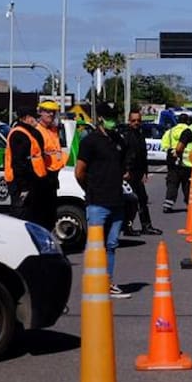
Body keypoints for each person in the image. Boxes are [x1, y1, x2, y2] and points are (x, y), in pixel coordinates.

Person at [75, 117, 131, 298]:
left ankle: (108, 282)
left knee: (112, 244)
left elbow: (123, 167)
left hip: (116, 200)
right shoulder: (90, 141)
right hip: (97, 201)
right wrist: (90, 189)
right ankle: (93, 283)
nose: (112, 122)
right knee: (95, 245)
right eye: (109, 118)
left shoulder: (118, 140)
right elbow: (79, 171)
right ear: (100, 119)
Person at [5, 104, 49, 225]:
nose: (37, 120)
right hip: (20, 184)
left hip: (33, 183)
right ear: (26, 118)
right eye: (34, 117)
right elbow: (19, 163)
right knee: (21, 217)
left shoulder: (30, 132)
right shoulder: (18, 134)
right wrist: (24, 187)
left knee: (32, 217)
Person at [121, 109, 163, 236]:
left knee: (143, 199)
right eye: (133, 121)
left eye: (138, 120)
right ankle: (128, 227)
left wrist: (145, 172)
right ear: (129, 121)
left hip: (138, 172)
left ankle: (146, 226)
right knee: (131, 201)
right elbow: (123, 155)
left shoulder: (140, 135)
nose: (136, 123)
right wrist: (125, 171)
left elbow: (142, 155)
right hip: (129, 173)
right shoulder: (126, 135)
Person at [34, 100, 68, 230]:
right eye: (47, 111)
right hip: (43, 176)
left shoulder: (54, 130)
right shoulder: (38, 130)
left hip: (55, 174)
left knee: (51, 212)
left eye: (53, 112)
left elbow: (57, 150)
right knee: (42, 213)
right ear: (40, 112)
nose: (50, 114)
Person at [161, 113, 192, 212]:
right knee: (187, 184)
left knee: (172, 183)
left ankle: (168, 204)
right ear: (187, 121)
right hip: (187, 162)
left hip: (173, 160)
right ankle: (190, 204)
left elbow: (164, 145)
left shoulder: (170, 132)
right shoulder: (190, 131)